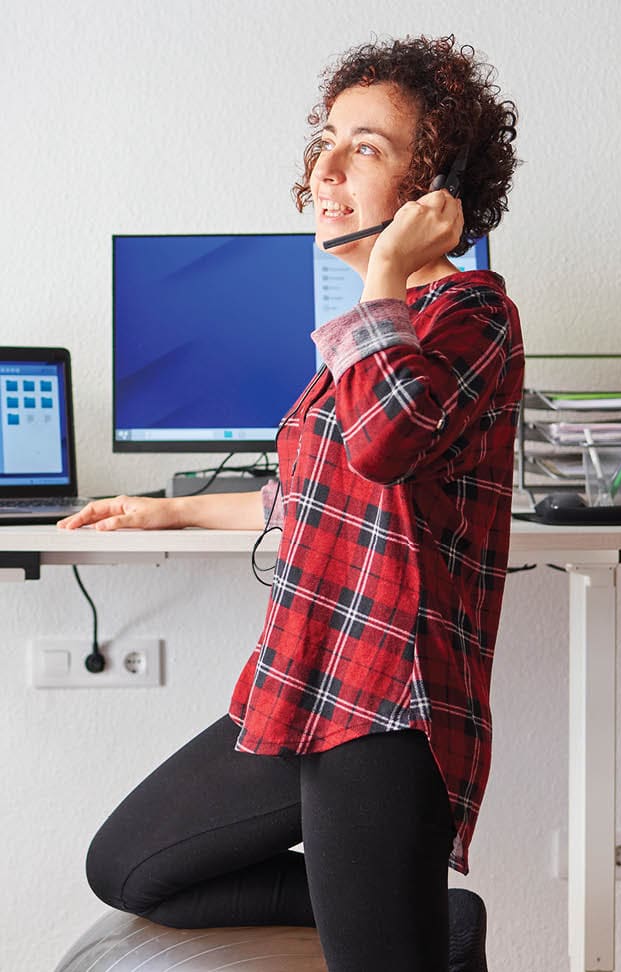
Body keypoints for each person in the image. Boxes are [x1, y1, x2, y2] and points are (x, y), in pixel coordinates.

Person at [59, 35, 523, 972]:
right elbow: (321, 494)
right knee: (128, 864)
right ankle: (425, 917)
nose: (325, 169)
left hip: (389, 697)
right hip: (302, 675)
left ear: (436, 189)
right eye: (326, 139)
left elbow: (388, 449)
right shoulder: (368, 339)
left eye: (367, 147)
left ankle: (405, 921)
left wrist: (386, 275)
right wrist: (177, 510)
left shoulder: (473, 317)